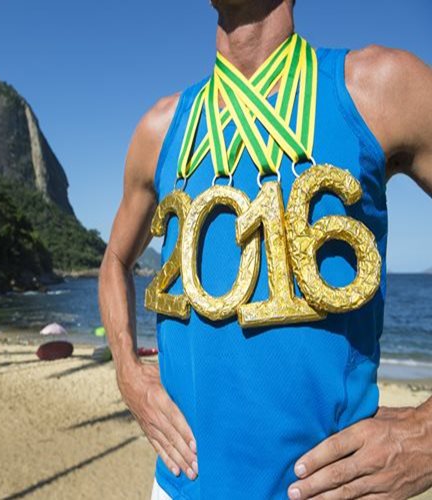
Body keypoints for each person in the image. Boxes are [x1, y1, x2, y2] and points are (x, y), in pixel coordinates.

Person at [97, 0, 432, 498]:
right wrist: (127, 370)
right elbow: (115, 260)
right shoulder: (160, 129)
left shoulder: (380, 87)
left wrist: (426, 435)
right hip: (178, 486)